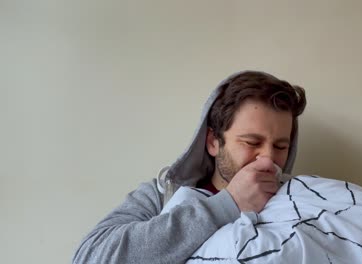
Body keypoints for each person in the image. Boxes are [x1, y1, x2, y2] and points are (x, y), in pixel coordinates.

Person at [72, 71, 307, 264]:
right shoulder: (161, 197)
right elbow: (89, 258)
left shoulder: (302, 200)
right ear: (213, 142)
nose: (268, 159)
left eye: (280, 146)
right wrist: (227, 205)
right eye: (252, 142)